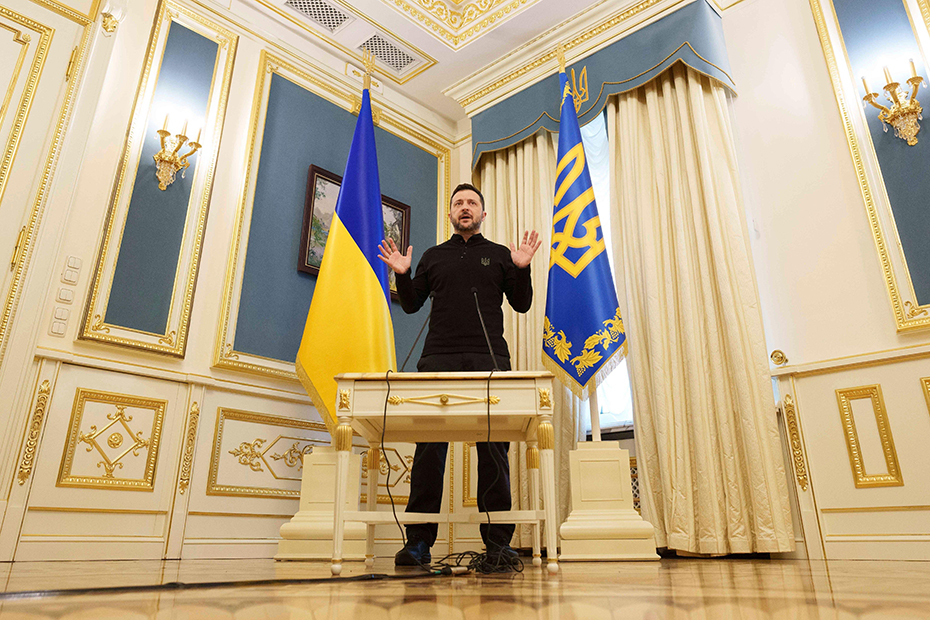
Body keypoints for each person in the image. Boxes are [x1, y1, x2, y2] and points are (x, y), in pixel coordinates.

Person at [378, 182, 542, 567]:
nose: (465, 208)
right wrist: (402, 274)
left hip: (490, 361)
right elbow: (412, 305)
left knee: (494, 450)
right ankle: (418, 543)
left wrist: (522, 268)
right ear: (450, 214)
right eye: (458, 203)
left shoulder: (501, 254)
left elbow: (521, 303)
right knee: (429, 452)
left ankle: (498, 546)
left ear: (483, 214)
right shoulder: (434, 256)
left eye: (472, 203)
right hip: (438, 361)